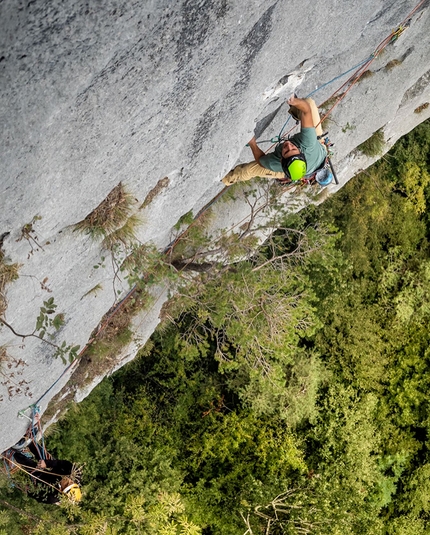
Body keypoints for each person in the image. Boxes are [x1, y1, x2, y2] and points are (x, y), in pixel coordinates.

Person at [222, 95, 327, 186]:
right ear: (300, 151)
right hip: (317, 148)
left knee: (249, 170)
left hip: (293, 169)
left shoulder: (275, 164)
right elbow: (306, 110)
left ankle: (226, 179)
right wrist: (293, 101)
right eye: (293, 148)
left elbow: (261, 160)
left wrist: (252, 143)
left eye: (286, 151)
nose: (289, 145)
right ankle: (294, 107)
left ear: (281, 160)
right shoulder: (308, 143)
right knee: (309, 103)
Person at [6, 440, 82, 504]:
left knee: (33, 468)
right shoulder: (75, 474)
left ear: (61, 490)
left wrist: (28, 490)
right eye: (71, 482)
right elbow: (64, 463)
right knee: (44, 458)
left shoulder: (52, 498)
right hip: (56, 469)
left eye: (66, 484)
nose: (68, 480)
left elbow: (38, 496)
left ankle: (13, 453)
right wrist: (47, 463)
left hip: (45, 481)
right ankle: (29, 443)